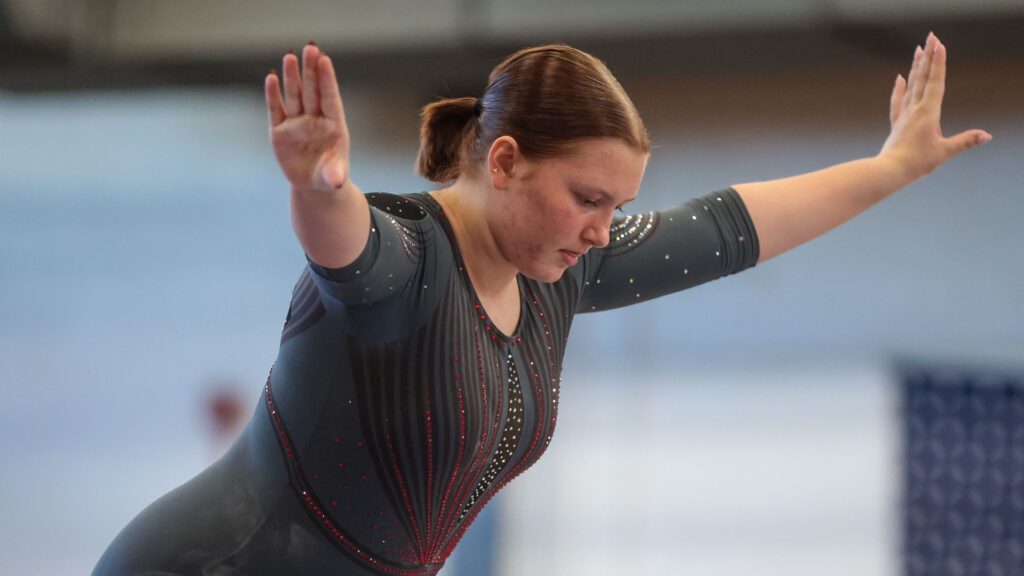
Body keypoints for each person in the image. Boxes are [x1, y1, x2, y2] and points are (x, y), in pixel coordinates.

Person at [92, 33, 988, 576]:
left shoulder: (560, 275)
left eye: (619, 206)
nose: (604, 230)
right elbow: (342, 246)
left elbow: (730, 228)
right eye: (588, 198)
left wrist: (892, 167)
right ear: (506, 160)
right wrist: (321, 182)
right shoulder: (407, 258)